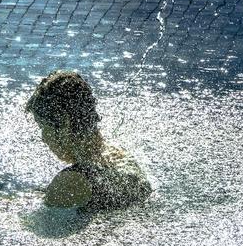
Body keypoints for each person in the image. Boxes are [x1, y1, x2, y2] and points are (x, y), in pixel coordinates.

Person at [26, 70, 152, 212]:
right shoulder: (117, 154)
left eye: (43, 126)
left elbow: (38, 223)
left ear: (64, 124)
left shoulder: (69, 183)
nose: (43, 138)